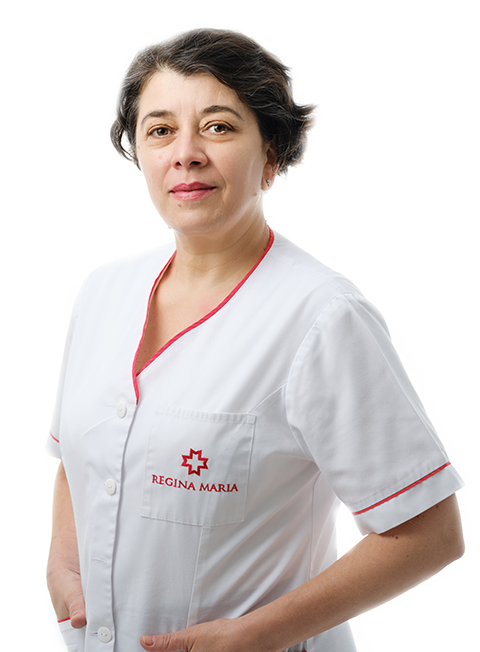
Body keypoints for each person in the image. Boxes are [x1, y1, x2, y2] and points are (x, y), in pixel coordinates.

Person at [46, 27, 465, 652]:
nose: (185, 154)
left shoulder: (324, 317)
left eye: (217, 127)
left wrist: (257, 634)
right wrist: (62, 562)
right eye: (160, 130)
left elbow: (430, 534)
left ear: (271, 157)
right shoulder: (103, 292)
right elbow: (78, 460)